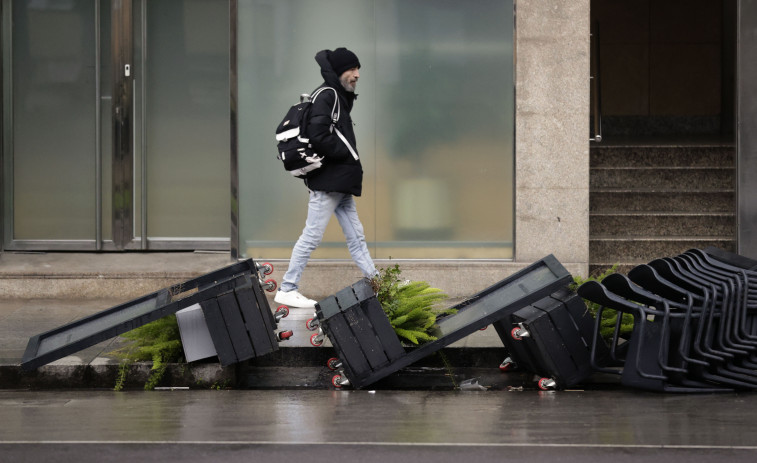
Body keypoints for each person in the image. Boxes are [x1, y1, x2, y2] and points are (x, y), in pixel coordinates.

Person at [274, 47, 378, 308]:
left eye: (358, 70)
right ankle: (287, 288)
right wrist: (347, 155)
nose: (357, 75)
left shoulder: (336, 95)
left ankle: (377, 281)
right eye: (352, 69)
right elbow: (318, 134)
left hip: (338, 181)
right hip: (329, 181)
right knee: (311, 236)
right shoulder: (328, 95)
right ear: (340, 71)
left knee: (356, 236)